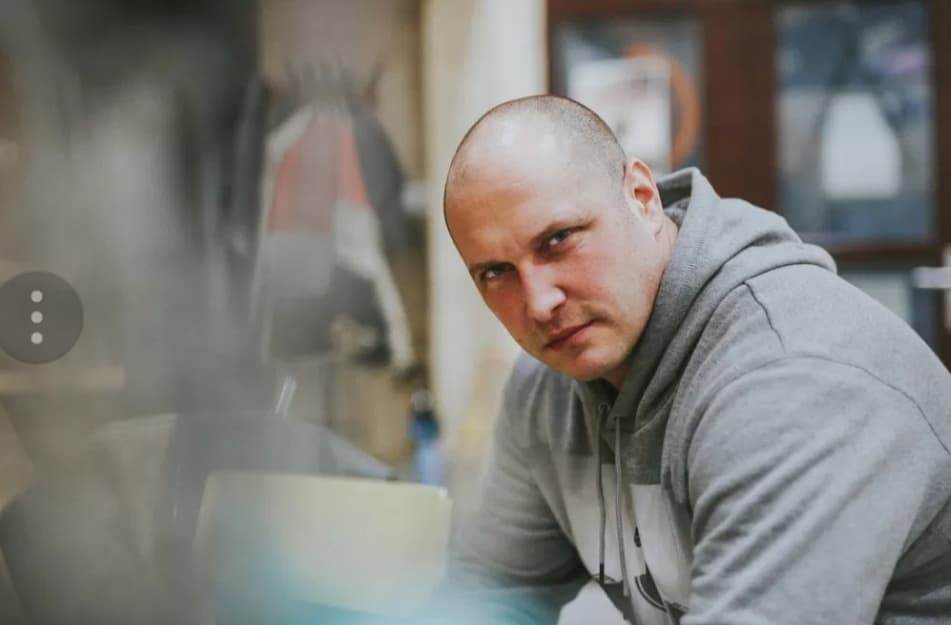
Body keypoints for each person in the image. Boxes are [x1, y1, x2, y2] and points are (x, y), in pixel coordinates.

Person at [439, 94, 951, 625]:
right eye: (496, 272)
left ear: (642, 198)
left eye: (558, 240)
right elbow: (492, 599)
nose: (539, 303)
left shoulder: (794, 376)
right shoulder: (547, 388)